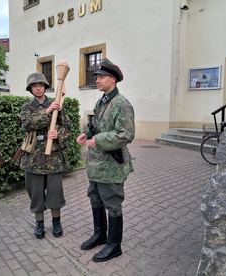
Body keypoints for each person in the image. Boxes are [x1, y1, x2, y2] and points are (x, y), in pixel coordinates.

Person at [76, 59, 135, 262]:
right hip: (96, 164)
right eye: (97, 77)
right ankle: (100, 234)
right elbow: (97, 126)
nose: (97, 80)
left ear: (112, 79)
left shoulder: (121, 104)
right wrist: (87, 134)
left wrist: (97, 141)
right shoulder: (102, 101)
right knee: (95, 198)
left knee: (112, 203)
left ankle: (114, 245)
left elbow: (126, 134)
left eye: (101, 77)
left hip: (111, 165)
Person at [20, 72, 70, 239]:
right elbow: (27, 124)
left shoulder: (57, 104)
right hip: (34, 158)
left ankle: (56, 221)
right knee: (36, 193)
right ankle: (39, 222)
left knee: (55, 192)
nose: (38, 88)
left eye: (41, 85)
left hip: (53, 158)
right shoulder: (27, 108)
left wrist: (58, 134)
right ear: (30, 89)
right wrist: (48, 111)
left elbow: (67, 127)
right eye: (35, 86)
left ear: (45, 87)